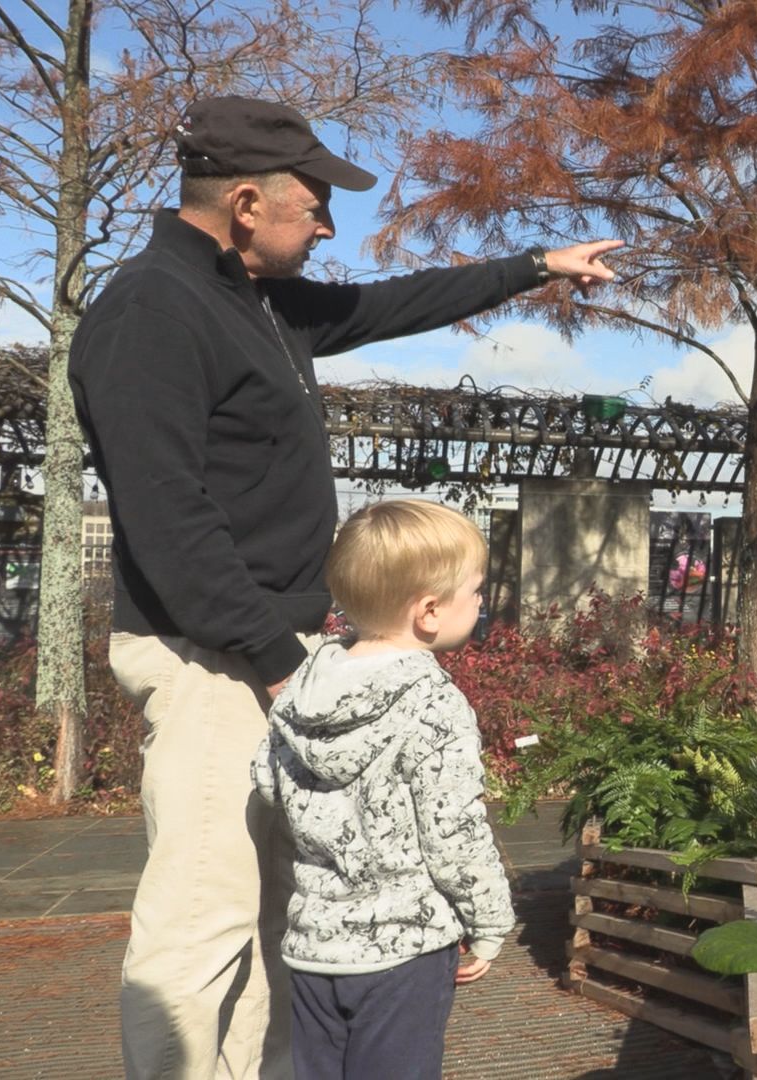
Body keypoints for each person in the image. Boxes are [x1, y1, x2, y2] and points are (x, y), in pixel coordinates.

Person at [68, 95, 620, 1079]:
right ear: (246, 202)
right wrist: (281, 665)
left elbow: (388, 304)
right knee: (202, 926)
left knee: (282, 921)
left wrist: (532, 268)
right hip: (214, 663)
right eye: (315, 204)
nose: (328, 226)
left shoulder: (262, 302)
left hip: (271, 656)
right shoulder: (154, 309)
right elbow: (166, 521)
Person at [251, 499, 510, 1080]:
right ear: (429, 612)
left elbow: (267, 782)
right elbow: (454, 831)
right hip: (405, 950)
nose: (481, 602)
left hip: (315, 946)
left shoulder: (302, 690)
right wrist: (489, 923)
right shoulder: (434, 704)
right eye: (476, 592)